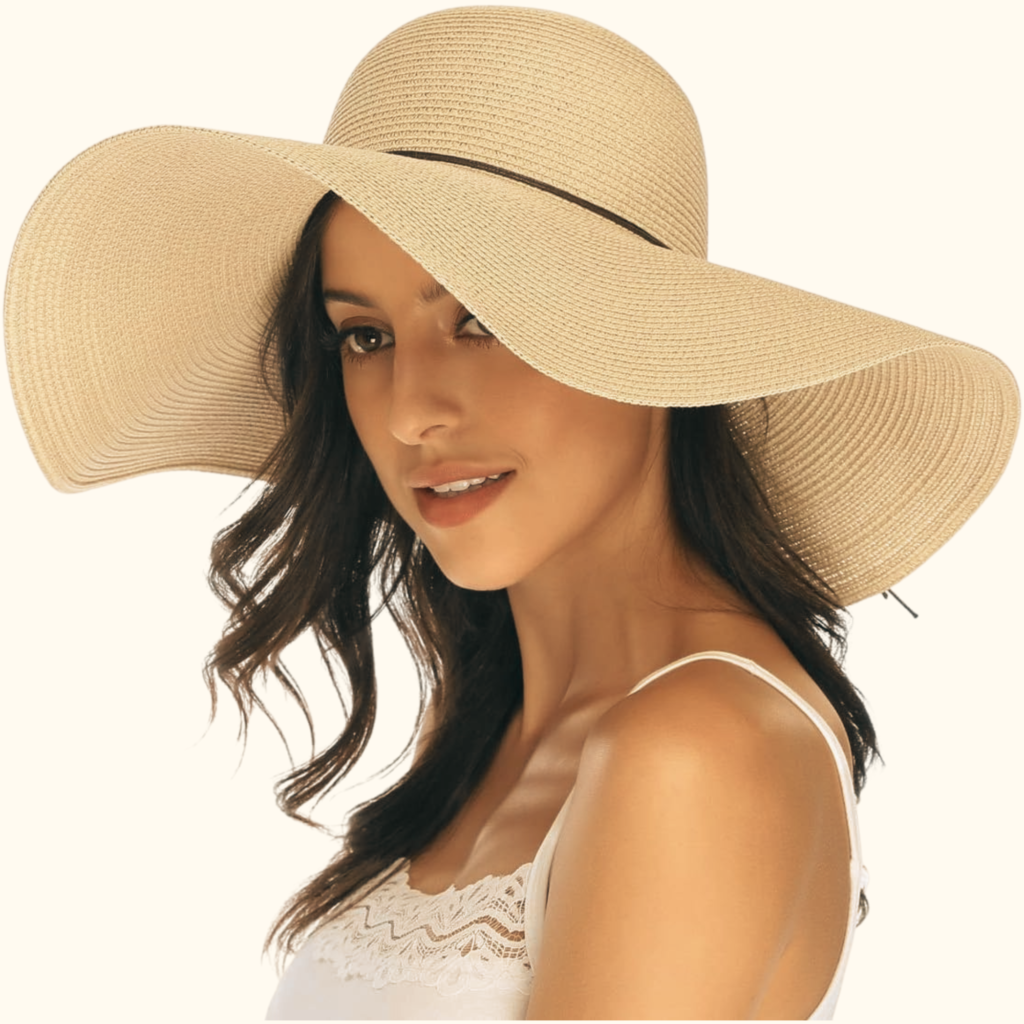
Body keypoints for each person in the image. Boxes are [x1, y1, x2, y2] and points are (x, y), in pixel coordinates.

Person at [3, 5, 1018, 1020]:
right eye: (362, 337)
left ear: (660, 345)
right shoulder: (493, 732)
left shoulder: (697, 748)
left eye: (479, 320)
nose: (409, 411)